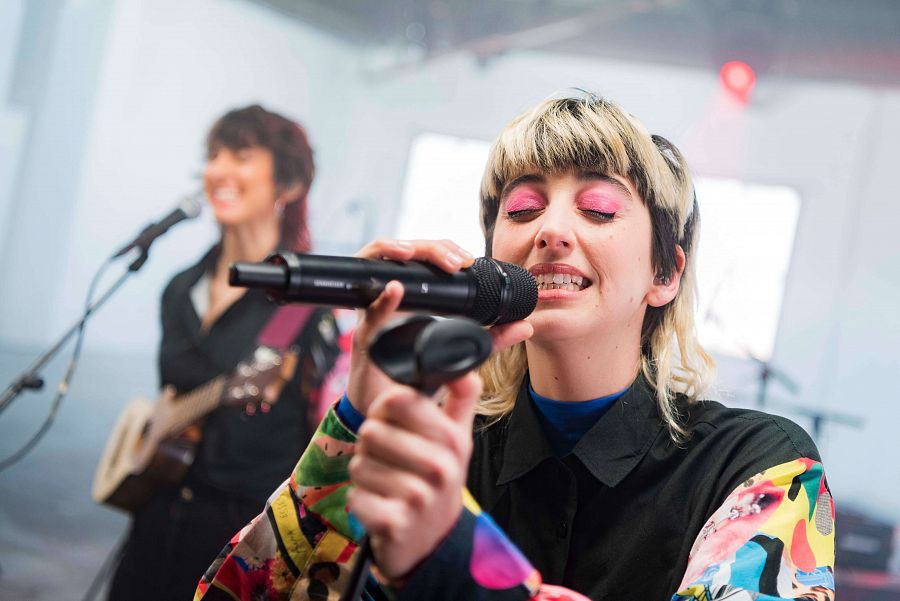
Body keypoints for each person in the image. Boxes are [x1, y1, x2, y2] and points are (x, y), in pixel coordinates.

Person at [193, 93, 835, 600]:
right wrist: (358, 420)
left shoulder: (760, 466)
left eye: (600, 209)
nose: (551, 230)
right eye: (523, 209)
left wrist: (452, 556)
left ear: (664, 273)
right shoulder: (438, 444)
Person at [107, 105, 342, 601]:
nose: (218, 170)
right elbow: (171, 395)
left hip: (239, 541)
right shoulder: (179, 288)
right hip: (155, 519)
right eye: (213, 155)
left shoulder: (305, 304)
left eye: (241, 155)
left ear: (290, 185)